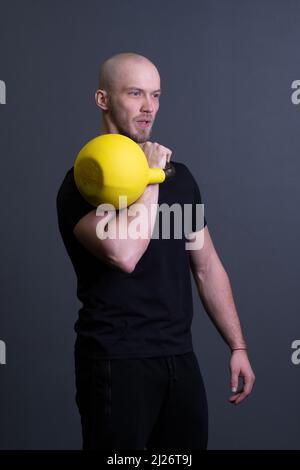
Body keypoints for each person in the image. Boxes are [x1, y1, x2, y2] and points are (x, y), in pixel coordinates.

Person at [56, 52, 255, 451]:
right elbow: (124, 254)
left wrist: (237, 346)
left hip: (179, 358)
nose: (149, 108)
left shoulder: (180, 181)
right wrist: (151, 179)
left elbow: (207, 266)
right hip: (116, 359)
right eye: (135, 93)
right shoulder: (83, 183)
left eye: (156, 95)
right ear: (103, 99)